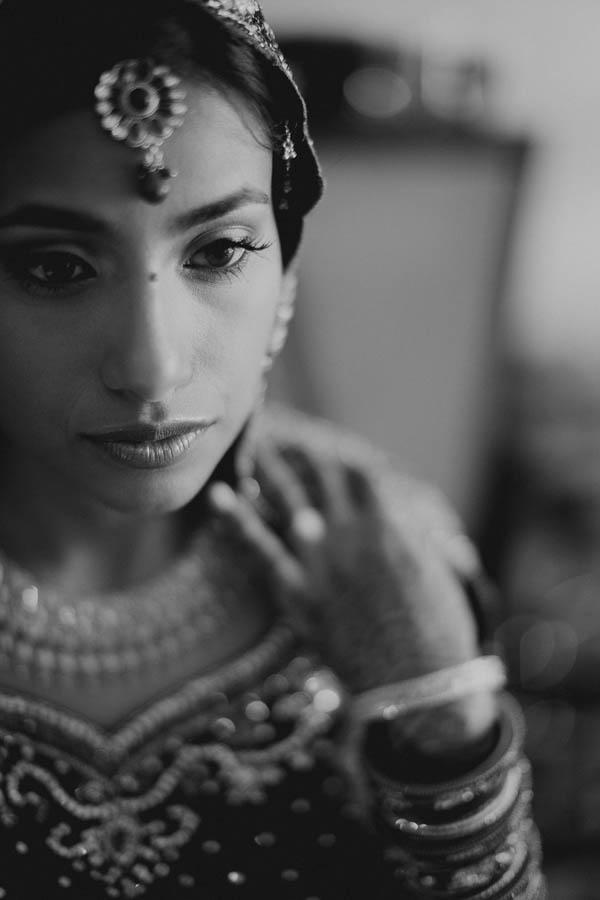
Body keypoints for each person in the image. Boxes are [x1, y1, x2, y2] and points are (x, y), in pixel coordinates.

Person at [0, 1, 545, 897]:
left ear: (286, 271)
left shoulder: (383, 543)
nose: (152, 369)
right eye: (55, 267)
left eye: (219, 250)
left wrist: (440, 716)